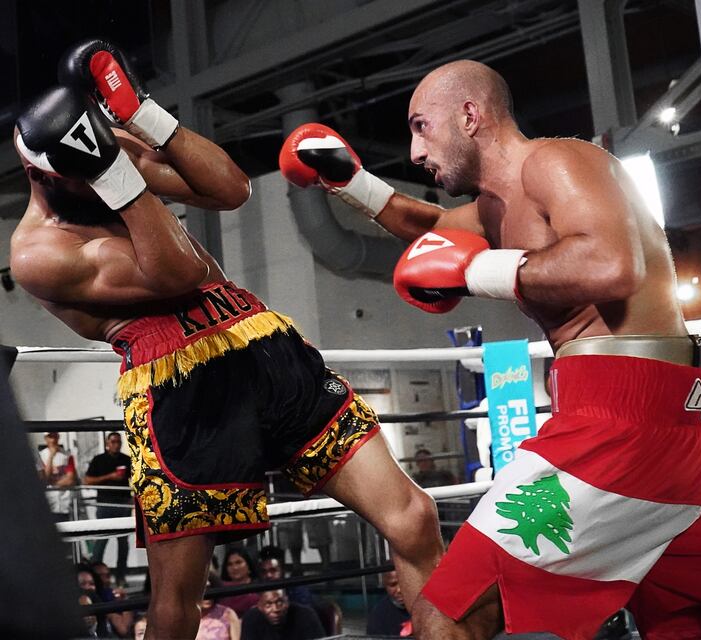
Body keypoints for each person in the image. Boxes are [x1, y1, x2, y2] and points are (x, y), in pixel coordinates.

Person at [280, 59, 701, 639]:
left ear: (470, 115)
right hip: (682, 436)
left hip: (618, 434)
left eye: (422, 126)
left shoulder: (559, 160)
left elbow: (610, 265)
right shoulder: (496, 209)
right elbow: (432, 228)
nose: (415, 151)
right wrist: (348, 181)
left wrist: (476, 270)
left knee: (446, 615)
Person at [11, 38, 441, 640]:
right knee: (179, 603)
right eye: (88, 173)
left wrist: (142, 118)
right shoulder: (39, 252)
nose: (100, 182)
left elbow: (232, 188)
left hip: (263, 343)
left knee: (414, 517)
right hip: (181, 386)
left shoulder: (116, 153)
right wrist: (114, 175)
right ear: (40, 173)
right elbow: (180, 273)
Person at [85, 432, 133, 585]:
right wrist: (109, 477)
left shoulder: (126, 460)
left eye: (118, 442)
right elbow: (88, 481)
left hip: (123, 503)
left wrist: (133, 496)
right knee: (101, 541)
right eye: (113, 442)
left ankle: (121, 577)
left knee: (123, 542)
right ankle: (95, 576)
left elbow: (136, 478)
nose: (116, 445)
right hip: (105, 504)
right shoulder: (99, 460)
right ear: (107, 443)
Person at [240, 589, 324, 640]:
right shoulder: (251, 618)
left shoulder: (306, 615)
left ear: (287, 602)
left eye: (279, 602)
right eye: (268, 604)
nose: (275, 609)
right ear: (259, 606)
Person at [37, 432, 77, 522]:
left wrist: (53, 483)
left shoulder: (67, 455)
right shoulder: (40, 455)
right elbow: (45, 477)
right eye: (50, 437)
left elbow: (70, 479)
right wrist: (51, 456)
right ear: (46, 438)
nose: (53, 440)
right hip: (48, 501)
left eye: (55, 436)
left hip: (64, 501)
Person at [366, 570, 411, 637]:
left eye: (403, 583)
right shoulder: (378, 615)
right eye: (393, 585)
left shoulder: (427, 606)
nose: (399, 590)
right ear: (385, 585)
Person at [218, 548, 261, 618]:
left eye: (238, 562)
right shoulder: (222, 590)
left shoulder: (260, 586)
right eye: (230, 564)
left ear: (249, 565)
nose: (234, 567)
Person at [197, 574, 241, 640]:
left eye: (210, 589)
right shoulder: (187, 617)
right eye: (202, 591)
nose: (208, 597)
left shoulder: (228, 613)